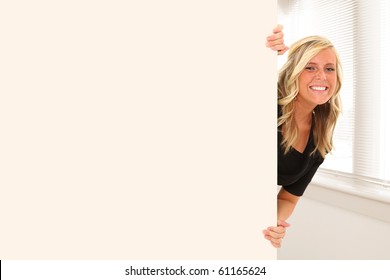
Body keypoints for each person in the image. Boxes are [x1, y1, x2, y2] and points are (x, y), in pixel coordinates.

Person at [263, 26, 343, 248]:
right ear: (293, 72)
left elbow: (288, 198)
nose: (322, 76)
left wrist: (272, 223)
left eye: (330, 68)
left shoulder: (320, 142)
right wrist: (264, 45)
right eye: (310, 67)